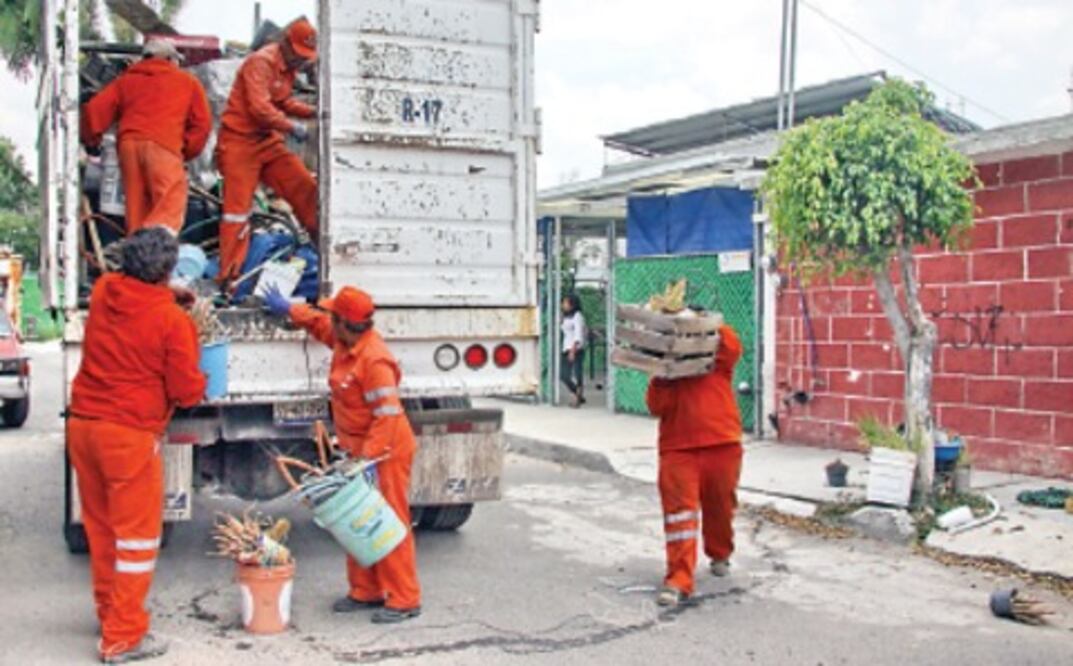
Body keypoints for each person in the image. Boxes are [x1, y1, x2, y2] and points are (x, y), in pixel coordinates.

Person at [68, 227, 207, 663]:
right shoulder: (173, 322)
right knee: (137, 540)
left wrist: (170, 294)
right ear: (167, 272)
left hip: (83, 425)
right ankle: (122, 638)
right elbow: (186, 391)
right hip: (128, 435)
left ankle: (110, 612)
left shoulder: (105, 291)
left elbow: (134, 295)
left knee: (102, 530)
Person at [265, 284, 422, 623]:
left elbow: (388, 416)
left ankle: (404, 598)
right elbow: (316, 322)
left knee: (387, 523)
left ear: (344, 323)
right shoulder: (344, 340)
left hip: (385, 452)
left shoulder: (374, 360)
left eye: (333, 315)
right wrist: (289, 309)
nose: (329, 320)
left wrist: (365, 460)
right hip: (359, 450)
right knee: (358, 519)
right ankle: (366, 591)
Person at [644, 321, 743, 609]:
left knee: (720, 506)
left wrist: (709, 323)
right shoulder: (665, 376)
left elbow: (732, 347)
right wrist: (662, 375)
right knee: (680, 517)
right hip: (679, 450)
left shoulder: (716, 363)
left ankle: (720, 552)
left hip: (721, 443)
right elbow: (655, 407)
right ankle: (678, 579)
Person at [215, 17, 319, 286]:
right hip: (239, 142)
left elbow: (282, 101)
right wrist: (292, 127)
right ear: (285, 43)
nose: (301, 60)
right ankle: (230, 280)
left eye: (305, 56)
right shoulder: (261, 62)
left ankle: (324, 254)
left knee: (306, 190)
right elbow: (259, 108)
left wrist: (315, 112)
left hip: (267, 141)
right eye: (299, 54)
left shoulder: (288, 67)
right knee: (237, 213)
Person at [81, 39, 212, 235]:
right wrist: (185, 151)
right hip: (164, 146)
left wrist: (92, 142)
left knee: (136, 209)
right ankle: (156, 244)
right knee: (170, 203)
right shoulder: (187, 82)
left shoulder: (125, 81)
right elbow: (202, 124)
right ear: (170, 59)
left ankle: (138, 246)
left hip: (129, 148)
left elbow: (93, 112)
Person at [560, 294, 587, 407]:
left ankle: (577, 398)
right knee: (563, 375)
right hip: (566, 347)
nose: (563, 305)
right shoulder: (566, 316)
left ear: (572, 304)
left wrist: (573, 350)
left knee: (577, 373)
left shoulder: (577, 316)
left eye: (566, 303)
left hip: (575, 349)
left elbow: (578, 334)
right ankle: (577, 393)